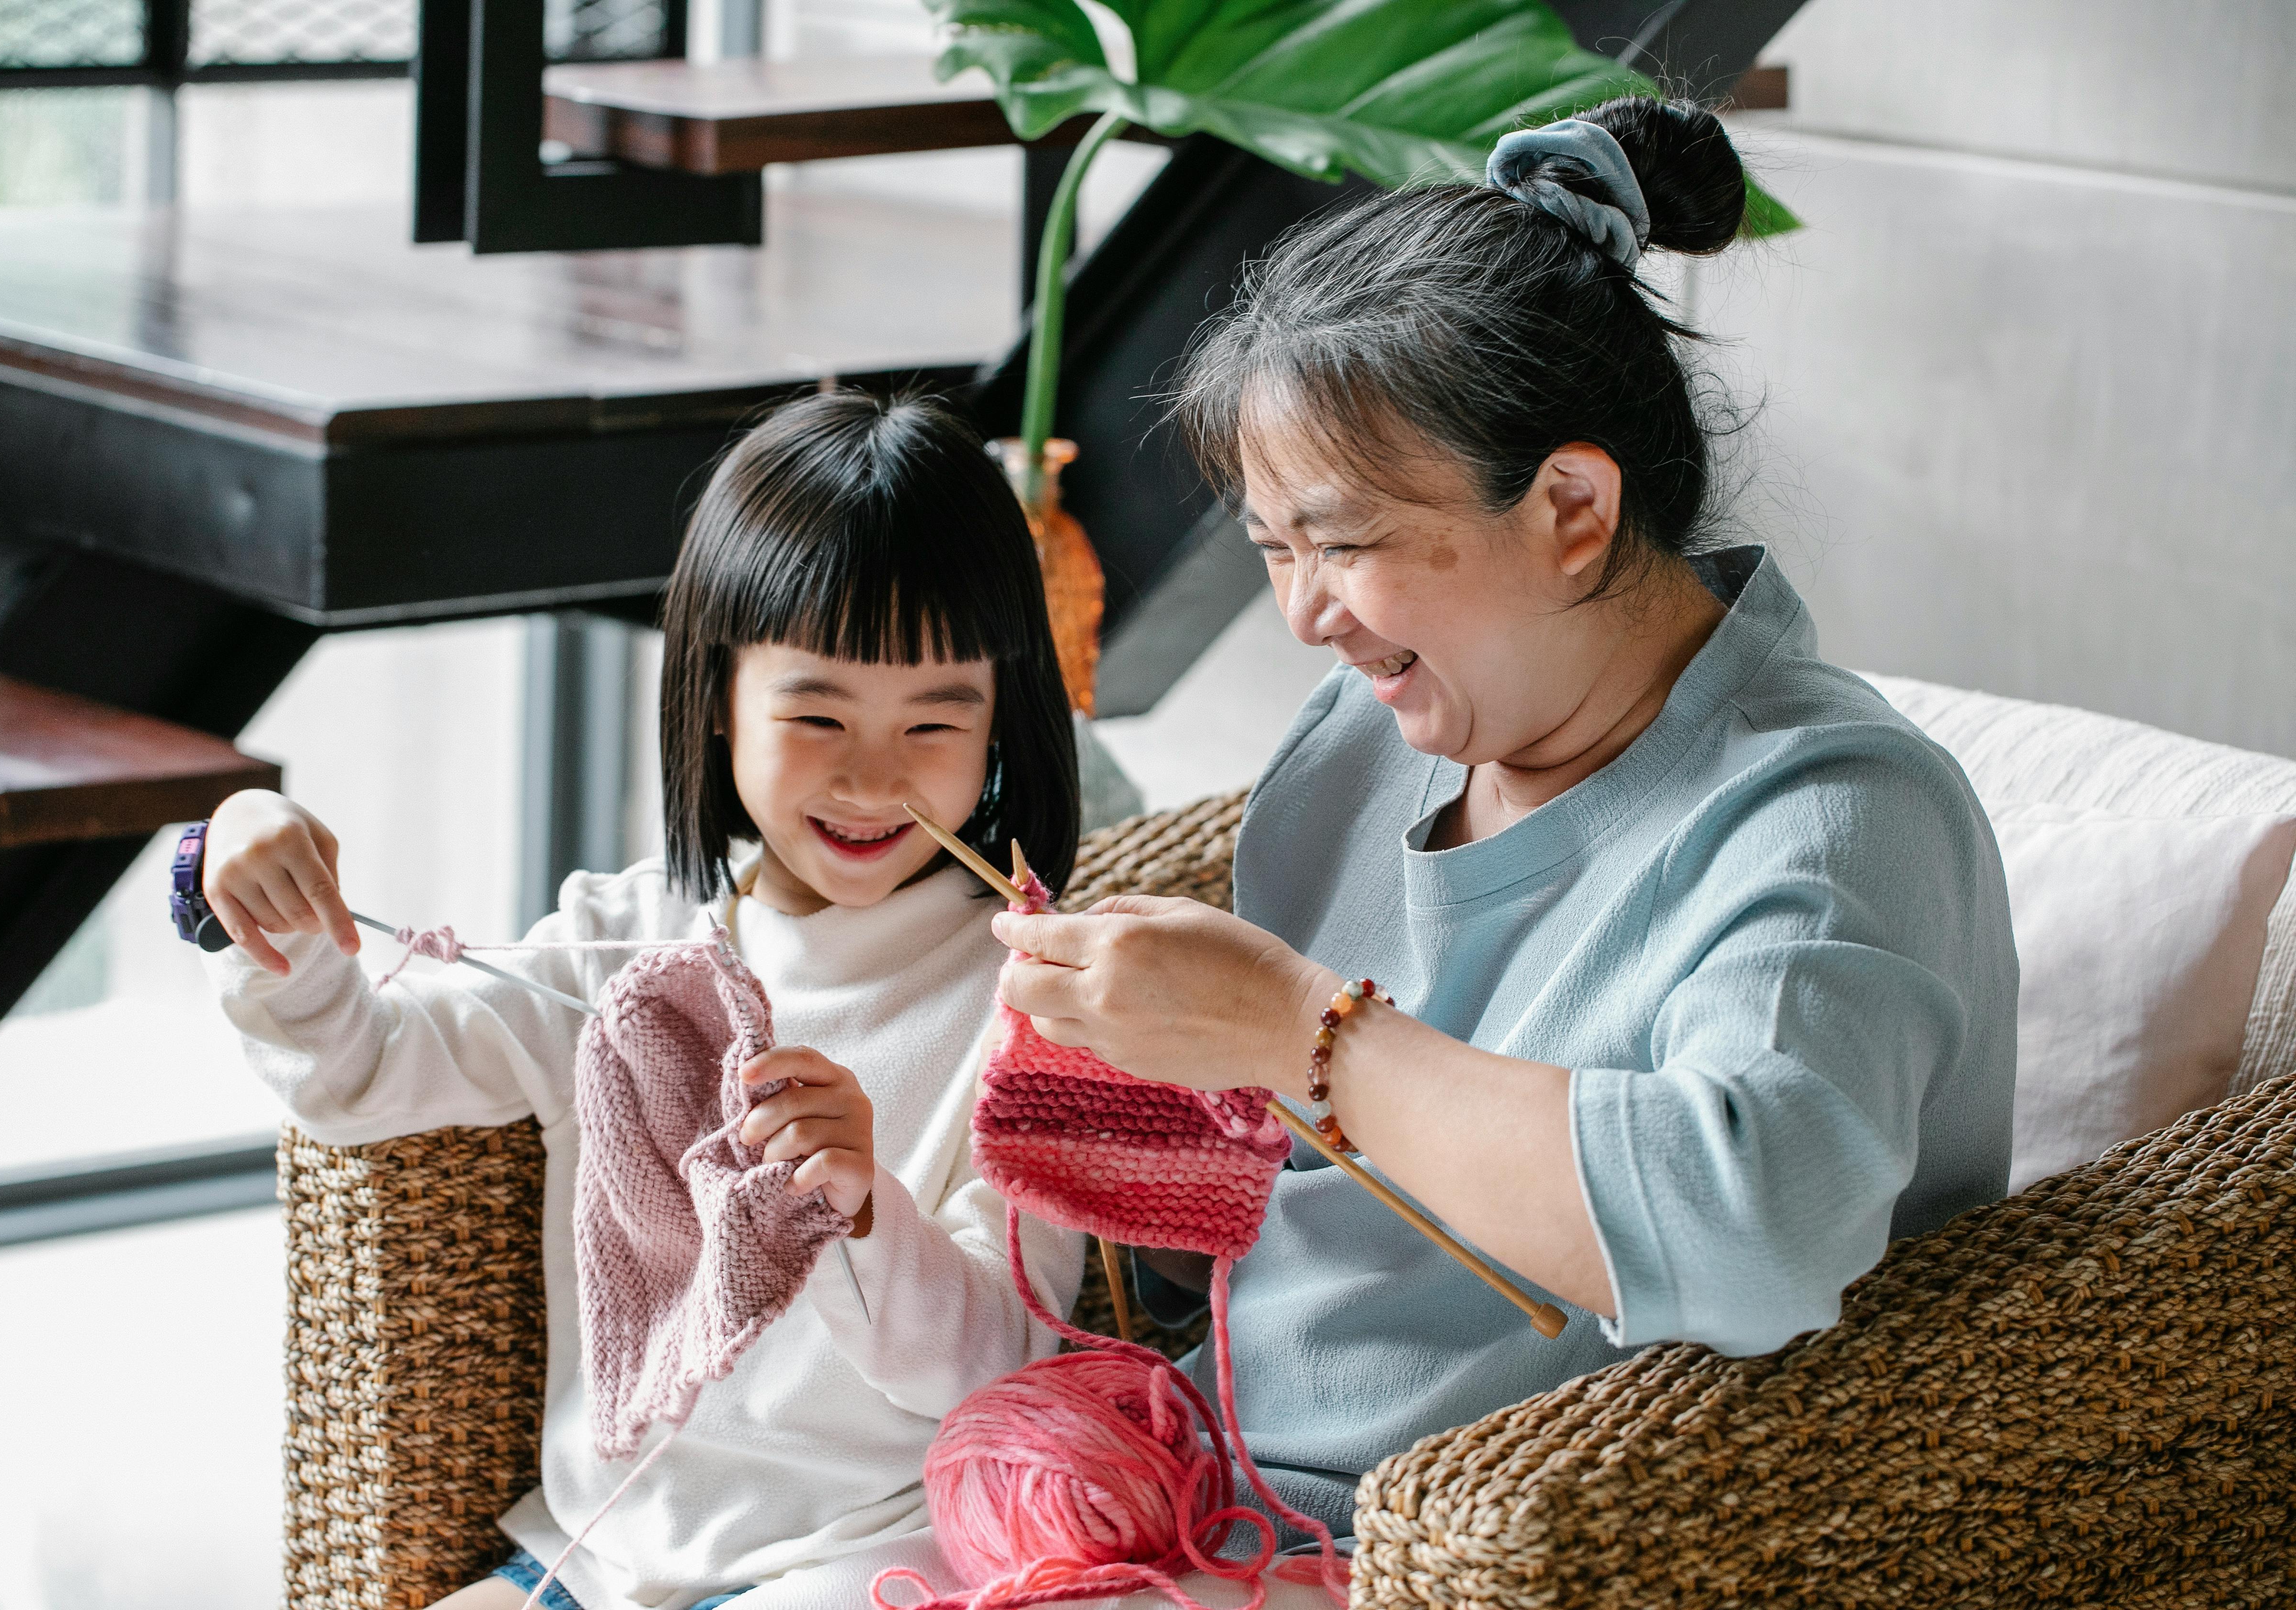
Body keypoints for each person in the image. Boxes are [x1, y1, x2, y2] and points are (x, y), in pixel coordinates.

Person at [991, 97, 2019, 1540]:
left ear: (1575, 509)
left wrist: (1300, 1032)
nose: (1304, 616)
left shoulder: (1834, 814)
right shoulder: (1364, 741)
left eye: (1344, 545)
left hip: (1507, 1550)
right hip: (1193, 1484)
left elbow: (1755, 1233)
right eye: (1276, 551)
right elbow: (1267, 1202)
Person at [199, 392, 1085, 1610]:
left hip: (861, 1561)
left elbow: (1008, 1362)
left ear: (1003, 720)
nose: (875, 775)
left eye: (938, 719)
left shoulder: (1033, 999)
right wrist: (261, 885)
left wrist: (864, 1206)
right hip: (592, 1554)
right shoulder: (624, 945)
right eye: (817, 714)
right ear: (717, 701)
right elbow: (358, 1076)